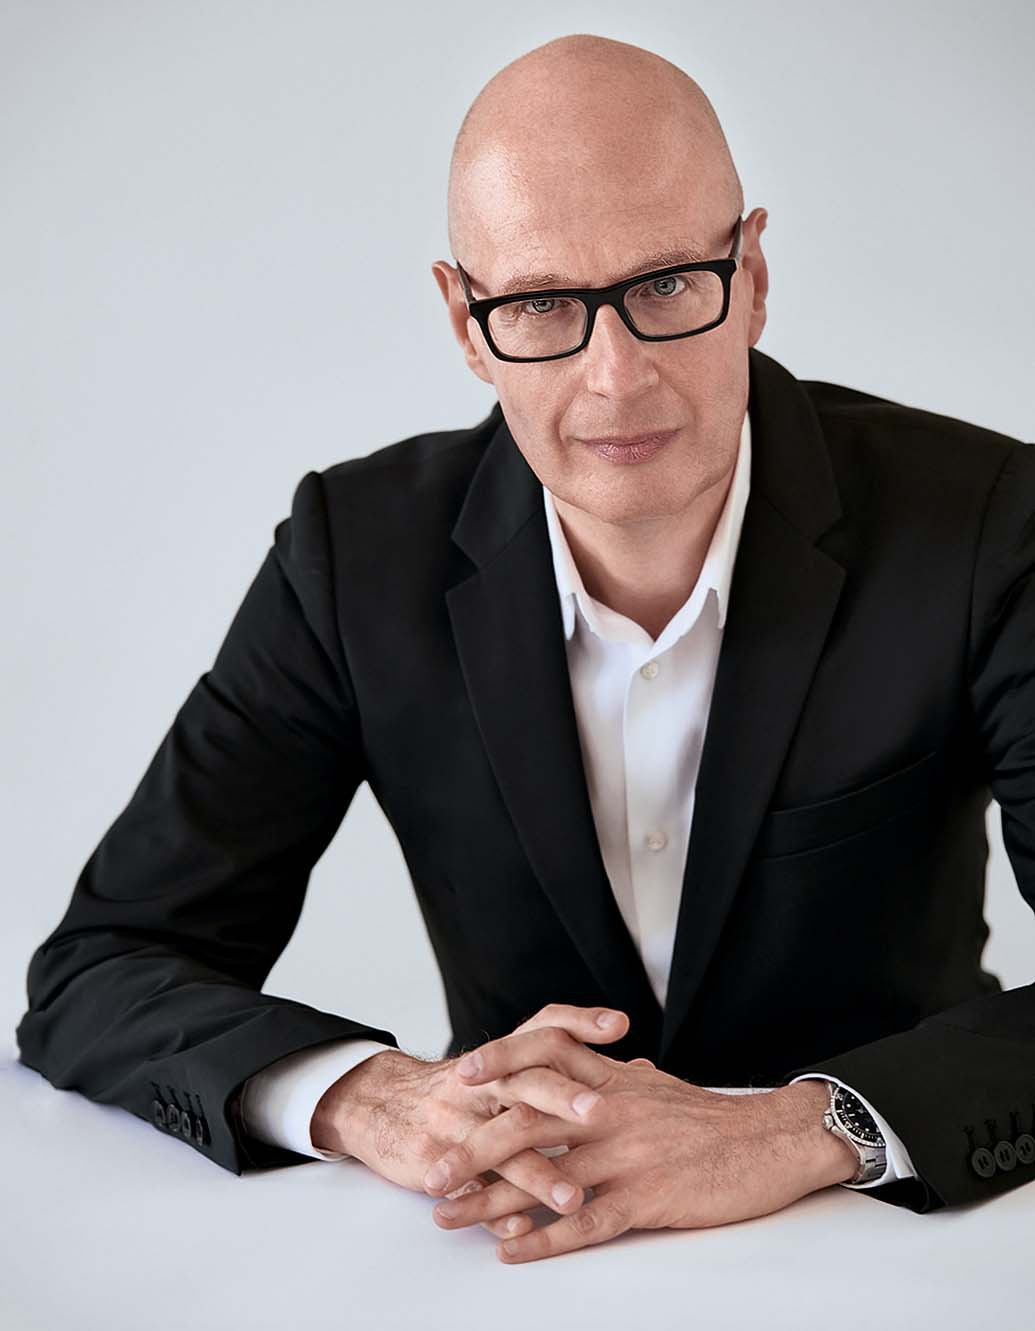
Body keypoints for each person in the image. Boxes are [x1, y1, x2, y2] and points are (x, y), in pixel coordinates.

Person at [15, 33, 1035, 1266]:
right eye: (544, 303)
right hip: (509, 1265)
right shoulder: (353, 557)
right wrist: (370, 1095)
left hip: (901, 1255)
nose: (616, 376)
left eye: (668, 284)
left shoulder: (989, 525)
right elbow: (105, 965)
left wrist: (805, 1129)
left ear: (753, 274)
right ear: (466, 320)